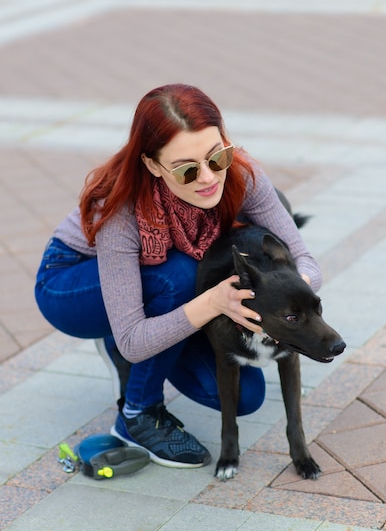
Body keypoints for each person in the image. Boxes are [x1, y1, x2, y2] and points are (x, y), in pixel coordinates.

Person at [35, 83, 321, 469]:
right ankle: (137, 413)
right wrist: (214, 302)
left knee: (244, 396)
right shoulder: (121, 214)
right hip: (71, 284)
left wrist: (283, 295)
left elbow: (305, 260)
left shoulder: (243, 176)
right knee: (180, 276)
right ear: (153, 165)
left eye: (216, 157)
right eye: (187, 169)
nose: (207, 178)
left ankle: (135, 323)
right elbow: (137, 344)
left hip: (164, 283)